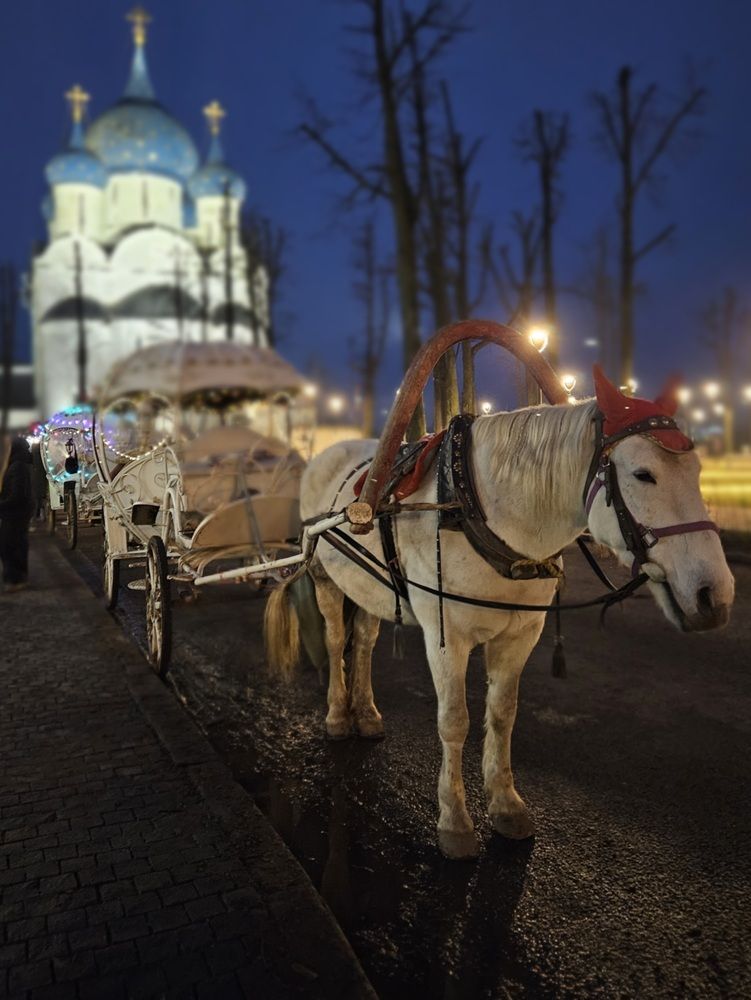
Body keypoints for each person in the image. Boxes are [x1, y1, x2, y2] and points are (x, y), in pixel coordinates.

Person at [0, 437, 34, 592]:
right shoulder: (18, 465)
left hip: (14, 514)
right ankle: (17, 577)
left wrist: (2, 504)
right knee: (15, 544)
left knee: (10, 545)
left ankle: (15, 579)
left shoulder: (17, 466)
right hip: (17, 513)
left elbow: (17, 495)